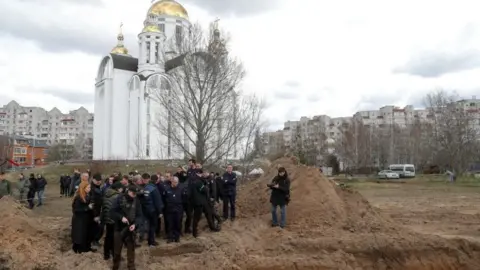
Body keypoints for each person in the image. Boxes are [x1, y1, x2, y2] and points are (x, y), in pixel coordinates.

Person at [110, 185, 143, 270]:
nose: (134, 195)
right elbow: (112, 212)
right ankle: (115, 266)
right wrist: (121, 218)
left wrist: (135, 224)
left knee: (131, 251)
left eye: (135, 194)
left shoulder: (137, 201)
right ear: (128, 191)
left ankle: (131, 267)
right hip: (119, 228)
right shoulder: (119, 199)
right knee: (117, 251)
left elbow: (139, 216)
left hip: (130, 229)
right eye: (133, 193)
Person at [101, 182, 124, 260]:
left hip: (107, 219)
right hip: (115, 220)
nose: (122, 190)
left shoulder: (106, 194)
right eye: (121, 188)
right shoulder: (117, 196)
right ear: (118, 189)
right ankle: (115, 254)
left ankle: (106, 254)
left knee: (108, 236)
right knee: (115, 238)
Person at [140, 173, 163, 247]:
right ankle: (151, 242)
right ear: (156, 181)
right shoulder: (154, 189)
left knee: (149, 226)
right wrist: (160, 211)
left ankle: (150, 241)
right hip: (153, 211)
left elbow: (143, 199)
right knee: (153, 226)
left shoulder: (146, 187)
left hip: (146, 210)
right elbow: (157, 202)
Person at [71, 181, 95, 253]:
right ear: (83, 188)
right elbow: (76, 210)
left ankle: (86, 248)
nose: (90, 188)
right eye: (88, 187)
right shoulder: (78, 197)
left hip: (85, 219)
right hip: (79, 220)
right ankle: (79, 249)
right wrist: (87, 208)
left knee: (86, 234)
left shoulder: (87, 196)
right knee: (80, 236)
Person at [164, 176, 186, 243]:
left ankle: (177, 237)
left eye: (177, 182)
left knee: (178, 223)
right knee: (170, 224)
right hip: (169, 209)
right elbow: (164, 199)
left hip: (178, 209)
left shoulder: (181, 189)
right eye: (174, 182)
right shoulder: (167, 189)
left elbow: (184, 198)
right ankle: (170, 237)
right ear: (172, 181)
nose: (176, 183)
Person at [90, 173, 104, 247]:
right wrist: (95, 215)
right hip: (93, 212)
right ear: (93, 180)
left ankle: (95, 240)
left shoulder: (98, 188)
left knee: (99, 227)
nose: (98, 181)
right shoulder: (92, 189)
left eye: (100, 180)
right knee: (97, 227)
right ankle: (94, 241)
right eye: (97, 180)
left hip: (98, 211)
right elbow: (92, 203)